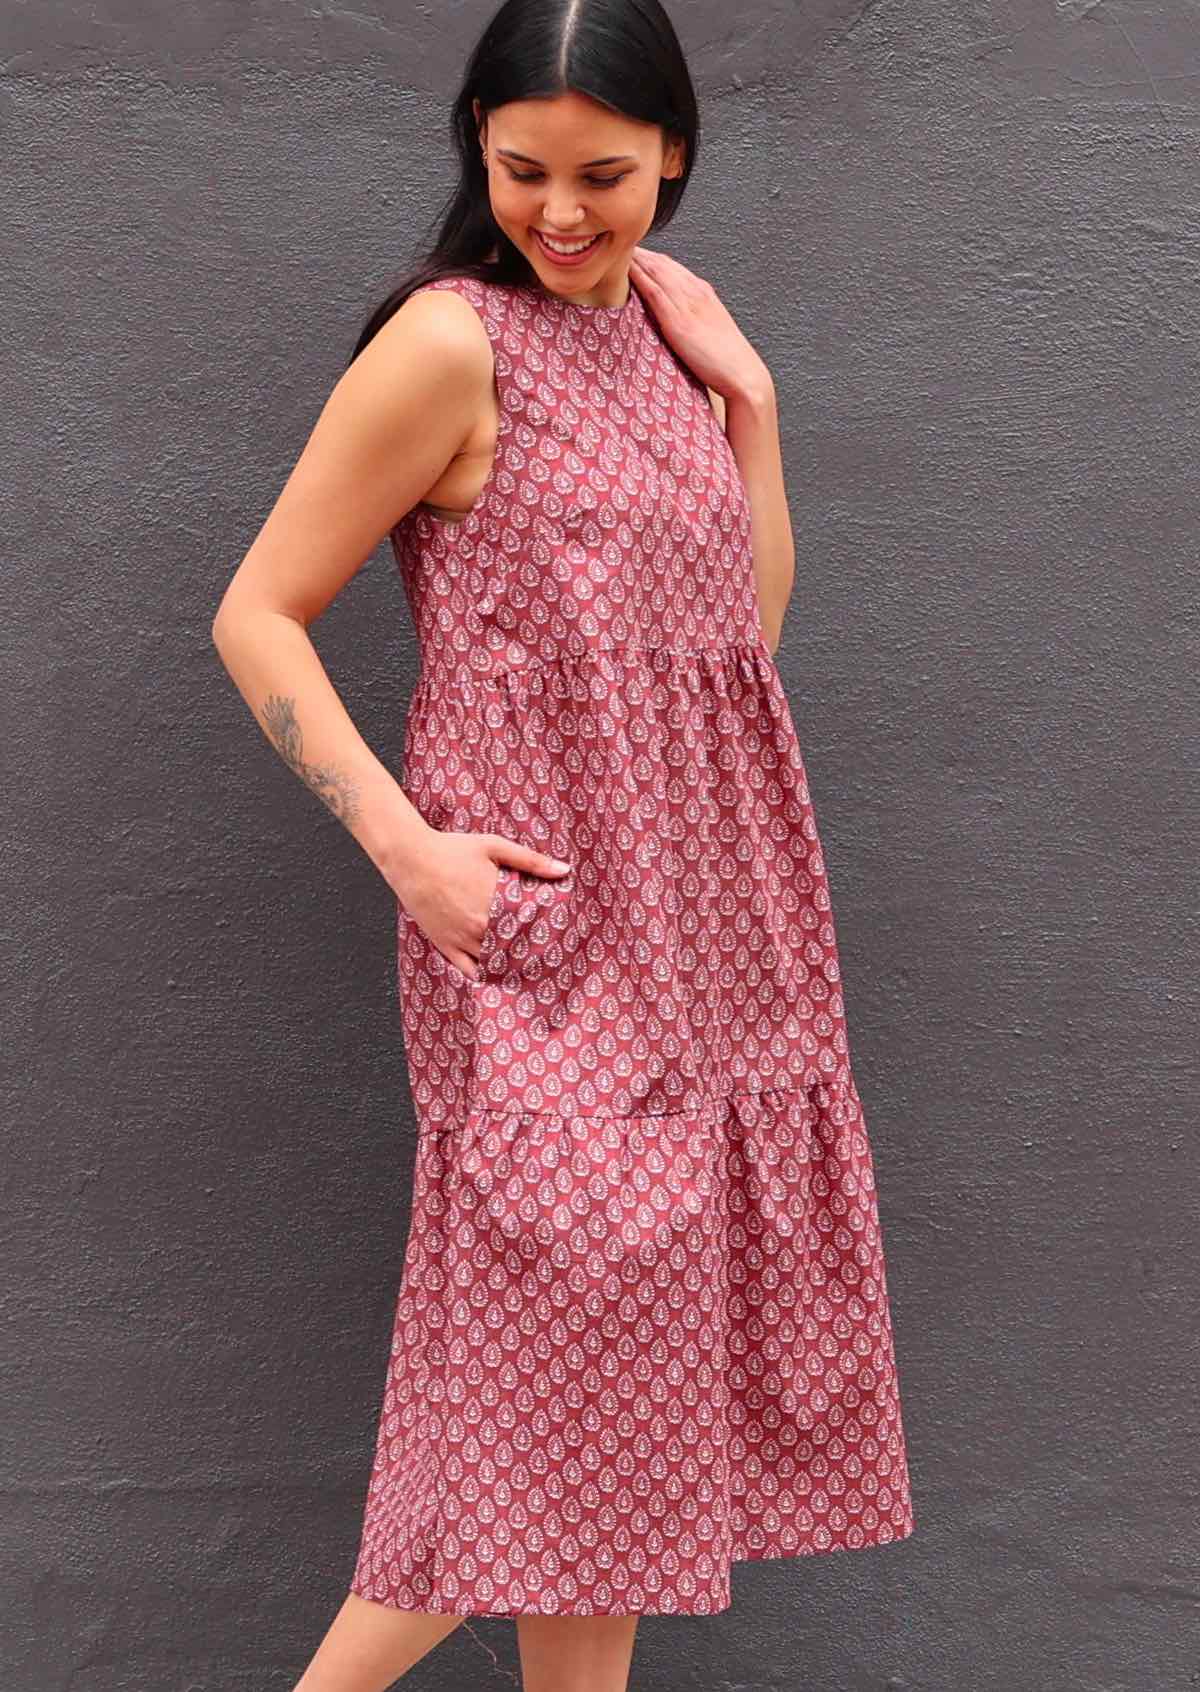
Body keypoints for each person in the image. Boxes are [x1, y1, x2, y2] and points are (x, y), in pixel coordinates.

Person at [211, 1, 916, 1687]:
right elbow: (257, 615)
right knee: (552, 1401)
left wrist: (750, 407)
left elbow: (736, 639)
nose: (563, 210)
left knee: (599, 1452)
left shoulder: (676, 339)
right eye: (522, 169)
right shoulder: (454, 344)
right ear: (477, 149)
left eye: (604, 172)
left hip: (708, 941)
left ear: (675, 151)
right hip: (545, 946)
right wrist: (409, 852)